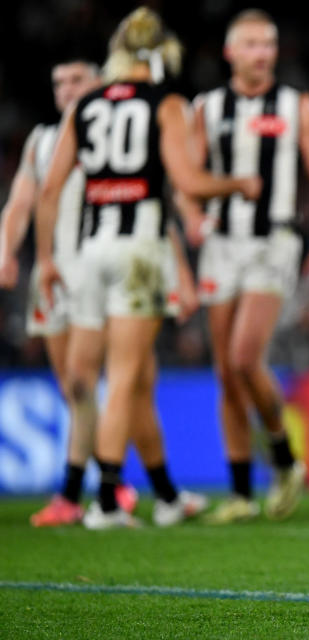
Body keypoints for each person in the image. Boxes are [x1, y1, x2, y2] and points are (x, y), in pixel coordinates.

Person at [35, 6, 260, 529]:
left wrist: (46, 259)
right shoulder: (167, 103)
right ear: (161, 54)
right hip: (138, 250)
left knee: (84, 379)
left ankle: (101, 490)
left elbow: (50, 190)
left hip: (88, 252)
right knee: (128, 376)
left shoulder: (86, 104)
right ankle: (109, 502)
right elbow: (187, 181)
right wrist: (237, 184)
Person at [176, 9, 309, 524]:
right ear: (230, 52)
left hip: (274, 242)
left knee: (246, 357)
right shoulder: (207, 108)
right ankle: (244, 493)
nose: (261, 52)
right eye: (250, 43)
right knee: (226, 371)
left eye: (268, 43)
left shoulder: (298, 107)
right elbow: (186, 175)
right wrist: (193, 218)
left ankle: (284, 455)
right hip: (222, 244)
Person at [0, 58, 142, 525]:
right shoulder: (42, 141)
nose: (66, 88)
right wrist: (7, 252)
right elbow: (20, 202)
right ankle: (105, 486)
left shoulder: (111, 136)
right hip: (54, 276)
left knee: (95, 381)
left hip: (102, 276)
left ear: (100, 84)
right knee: (73, 387)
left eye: (77, 79)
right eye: (59, 81)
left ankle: (99, 487)